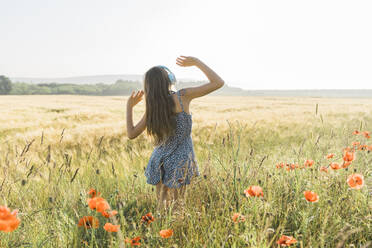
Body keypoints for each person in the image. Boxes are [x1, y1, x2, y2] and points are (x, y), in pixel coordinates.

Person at [126, 56, 224, 211]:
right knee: (178, 208)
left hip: (159, 159)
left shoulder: (153, 108)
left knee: (162, 207)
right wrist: (196, 62)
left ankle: (158, 232)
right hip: (180, 159)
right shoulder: (181, 96)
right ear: (170, 79)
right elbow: (218, 83)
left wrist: (129, 107)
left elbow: (131, 134)